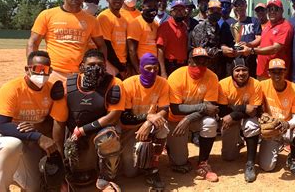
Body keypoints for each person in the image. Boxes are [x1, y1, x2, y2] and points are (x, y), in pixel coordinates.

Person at [0, 51, 66, 192]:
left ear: (51, 71)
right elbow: (2, 125)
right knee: (12, 145)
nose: (42, 74)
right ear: (27, 69)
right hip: (6, 135)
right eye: (37, 69)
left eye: (46, 70)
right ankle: (1, 187)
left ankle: (3, 165)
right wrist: (38, 136)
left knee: (33, 187)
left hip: (30, 138)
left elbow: (51, 121)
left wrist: (36, 128)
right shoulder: (12, 88)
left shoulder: (51, 90)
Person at [53, 49, 125, 191]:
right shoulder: (67, 84)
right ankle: (68, 170)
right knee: (80, 173)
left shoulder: (114, 83)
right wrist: (59, 156)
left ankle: (107, 180)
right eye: (91, 64)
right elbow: (59, 123)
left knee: (108, 137)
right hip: (73, 135)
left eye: (100, 64)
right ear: (81, 66)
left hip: (99, 132)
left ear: (105, 66)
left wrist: (83, 130)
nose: (96, 68)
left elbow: (113, 116)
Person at [27, 0, 107, 83]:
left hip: (80, 74)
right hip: (53, 72)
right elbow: (33, 42)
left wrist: (101, 66)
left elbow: (101, 46)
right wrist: (32, 67)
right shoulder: (47, 15)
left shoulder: (91, 20)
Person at [166, 47, 220, 182]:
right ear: (189, 61)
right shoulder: (176, 76)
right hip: (176, 120)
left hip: (195, 119)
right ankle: (170, 146)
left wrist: (189, 118)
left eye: (204, 62)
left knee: (210, 122)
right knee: (180, 163)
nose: (201, 65)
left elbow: (211, 109)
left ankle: (203, 162)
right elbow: (175, 109)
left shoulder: (212, 77)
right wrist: (202, 107)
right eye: (197, 61)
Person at [120, 53, 169, 190]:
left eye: (156, 68)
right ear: (140, 68)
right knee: (130, 173)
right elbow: (125, 118)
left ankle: (152, 169)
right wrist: (148, 117)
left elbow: (165, 109)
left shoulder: (162, 83)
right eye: (148, 68)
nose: (152, 72)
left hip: (151, 124)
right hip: (129, 127)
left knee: (162, 127)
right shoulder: (128, 84)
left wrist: (148, 122)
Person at [218, 57, 263, 182]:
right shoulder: (223, 84)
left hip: (247, 118)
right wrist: (243, 107)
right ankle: (238, 142)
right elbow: (222, 111)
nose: (241, 73)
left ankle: (250, 163)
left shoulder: (256, 84)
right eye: (237, 70)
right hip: (232, 118)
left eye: (244, 70)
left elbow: (254, 111)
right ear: (232, 72)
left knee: (252, 126)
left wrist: (233, 113)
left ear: (249, 71)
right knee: (229, 157)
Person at [257, 58, 295, 177]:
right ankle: (276, 144)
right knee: (267, 167)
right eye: (274, 71)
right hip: (272, 127)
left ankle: (292, 158)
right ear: (268, 73)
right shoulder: (262, 86)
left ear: (285, 72)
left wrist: (286, 124)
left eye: (280, 71)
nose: (277, 74)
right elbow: (256, 107)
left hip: (287, 126)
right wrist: (263, 115)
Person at [240, 0, 293, 80]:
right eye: (269, 9)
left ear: (282, 11)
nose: (272, 11)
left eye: (275, 9)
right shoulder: (268, 24)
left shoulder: (285, 26)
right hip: (262, 71)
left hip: (276, 74)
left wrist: (251, 50)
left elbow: (275, 48)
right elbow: (261, 39)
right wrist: (248, 44)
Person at [189, 0, 234, 79]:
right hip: (203, 69)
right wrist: (222, 52)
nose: (215, 12)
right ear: (207, 12)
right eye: (212, 10)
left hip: (218, 71)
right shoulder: (200, 28)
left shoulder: (219, 27)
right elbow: (202, 50)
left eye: (218, 10)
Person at [97, 0, 129, 79]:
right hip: (110, 64)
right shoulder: (104, 17)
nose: (117, 0)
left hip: (122, 63)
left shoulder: (123, 19)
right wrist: (120, 68)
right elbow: (106, 45)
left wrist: (125, 65)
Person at [228, 0, 262, 78]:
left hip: (250, 61)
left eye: (241, 4)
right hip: (233, 61)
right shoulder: (228, 23)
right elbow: (224, 42)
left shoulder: (254, 21)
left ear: (246, 5)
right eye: (237, 5)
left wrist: (248, 44)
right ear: (233, 7)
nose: (239, 7)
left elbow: (259, 38)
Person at [127, 0, 159, 74]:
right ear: (142, 7)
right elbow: (131, 50)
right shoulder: (136, 23)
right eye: (149, 6)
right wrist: (138, 70)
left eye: (155, 6)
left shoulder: (156, 24)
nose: (153, 9)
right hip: (142, 65)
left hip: (154, 66)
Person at [157, 0, 189, 78]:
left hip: (183, 65)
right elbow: (160, 50)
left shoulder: (184, 26)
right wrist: (163, 71)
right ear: (171, 12)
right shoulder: (165, 26)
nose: (179, 12)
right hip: (170, 65)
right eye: (176, 9)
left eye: (181, 10)